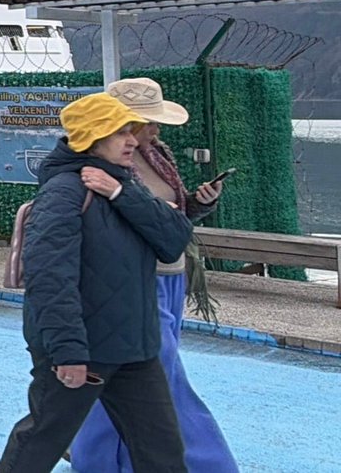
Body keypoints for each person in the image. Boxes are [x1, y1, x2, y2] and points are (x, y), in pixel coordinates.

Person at [0, 92, 195, 472]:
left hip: (135, 349)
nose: (133, 141)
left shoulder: (122, 184)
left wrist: (120, 193)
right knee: (41, 442)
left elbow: (172, 241)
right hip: (83, 349)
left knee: (163, 451)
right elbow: (50, 279)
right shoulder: (62, 193)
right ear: (93, 138)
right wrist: (68, 352)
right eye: (121, 132)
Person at [70, 78, 235, 473]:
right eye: (148, 122)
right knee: (155, 372)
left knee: (142, 372)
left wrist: (197, 203)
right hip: (136, 280)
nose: (157, 130)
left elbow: (170, 218)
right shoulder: (105, 165)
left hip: (172, 274)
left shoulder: (158, 154)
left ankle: (99, 457)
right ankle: (204, 462)